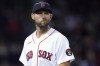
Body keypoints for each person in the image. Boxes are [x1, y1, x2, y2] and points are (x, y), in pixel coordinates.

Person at [19, 1, 75, 66]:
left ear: (50, 16)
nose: (43, 16)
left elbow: (65, 64)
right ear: (32, 16)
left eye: (46, 13)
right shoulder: (28, 40)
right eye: (39, 13)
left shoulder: (59, 39)